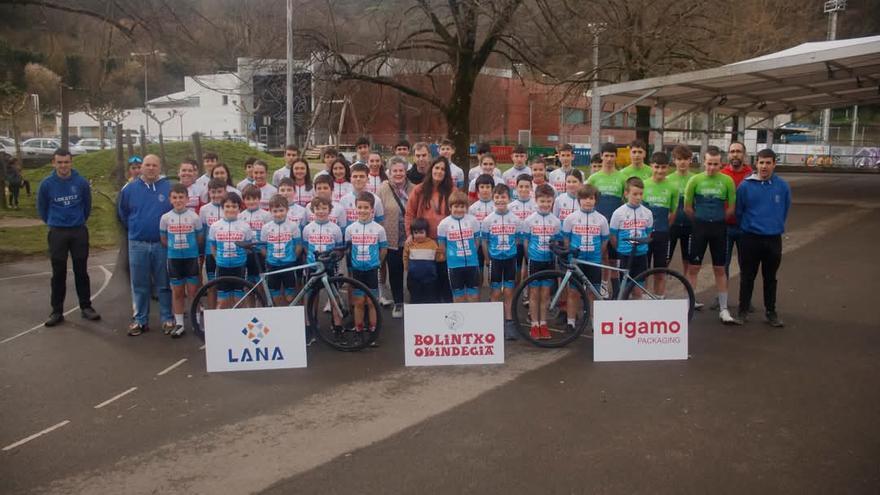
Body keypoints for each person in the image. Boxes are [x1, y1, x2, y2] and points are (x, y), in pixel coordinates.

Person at [37, 148, 101, 326]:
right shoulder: (47, 184)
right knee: (58, 272)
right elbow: (42, 208)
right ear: (54, 163)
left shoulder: (80, 182)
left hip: (78, 231)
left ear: (71, 162)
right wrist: (54, 221)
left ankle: (86, 307)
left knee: (81, 270)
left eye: (66, 162)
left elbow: (87, 206)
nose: (63, 166)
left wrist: (77, 221)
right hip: (57, 232)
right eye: (60, 162)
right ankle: (56, 311)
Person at [117, 154, 173, 336]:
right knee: (139, 284)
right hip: (138, 243)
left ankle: (167, 318)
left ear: (160, 167)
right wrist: (137, 228)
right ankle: (140, 320)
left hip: (161, 244)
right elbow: (123, 213)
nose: (150, 168)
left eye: (154, 165)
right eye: (147, 165)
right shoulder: (130, 189)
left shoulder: (168, 186)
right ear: (141, 167)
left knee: (163, 284)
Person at [684, 146, 740, 324]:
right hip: (699, 228)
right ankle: (689, 303)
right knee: (694, 268)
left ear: (720, 164)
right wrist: (700, 221)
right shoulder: (694, 180)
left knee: (720, 268)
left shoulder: (727, 181)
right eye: (709, 164)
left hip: (719, 229)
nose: (712, 168)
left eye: (715, 164)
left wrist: (718, 220)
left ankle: (723, 308)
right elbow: (687, 207)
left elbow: (731, 207)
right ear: (703, 162)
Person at [736, 149, 791, 327]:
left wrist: (773, 226)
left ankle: (771, 312)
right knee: (747, 276)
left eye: (768, 163)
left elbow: (785, 209)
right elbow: (739, 211)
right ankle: (742, 310)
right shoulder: (745, 186)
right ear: (756, 164)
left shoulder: (782, 186)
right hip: (750, 238)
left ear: (774, 164)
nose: (764, 166)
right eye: (761, 162)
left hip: (773, 239)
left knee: (770, 277)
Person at [562, 184, 608, 333]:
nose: (588, 201)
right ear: (579, 200)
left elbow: (604, 241)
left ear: (595, 200)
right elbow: (566, 239)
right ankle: (571, 321)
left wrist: (597, 255)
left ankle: (594, 322)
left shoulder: (601, 219)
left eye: (591, 198)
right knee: (573, 292)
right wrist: (571, 255)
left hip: (594, 261)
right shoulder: (571, 218)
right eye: (584, 198)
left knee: (592, 292)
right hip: (576, 261)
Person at [159, 183, 203, 338]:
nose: (178, 200)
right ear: (170, 199)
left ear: (187, 199)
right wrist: (175, 249)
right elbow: (163, 239)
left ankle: (196, 321)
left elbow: (199, 238)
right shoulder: (165, 218)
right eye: (175, 197)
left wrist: (189, 248)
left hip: (191, 258)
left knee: (193, 292)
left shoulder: (194, 217)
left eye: (181, 197)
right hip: (174, 259)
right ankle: (179, 324)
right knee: (177, 292)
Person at [520, 184, 562, 339]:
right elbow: (525, 243)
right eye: (542, 201)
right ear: (536, 200)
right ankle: (534, 324)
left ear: (553, 202)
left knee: (545, 295)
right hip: (535, 261)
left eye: (548, 201)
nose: (545, 204)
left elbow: (557, 243)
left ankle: (543, 324)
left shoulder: (556, 222)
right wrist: (530, 256)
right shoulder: (529, 220)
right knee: (534, 293)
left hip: (549, 261)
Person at [345, 192, 387, 341]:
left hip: (372, 270)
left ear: (372, 210)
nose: (362, 210)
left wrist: (377, 263)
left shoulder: (379, 229)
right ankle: (358, 330)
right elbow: (348, 250)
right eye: (359, 207)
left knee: (371, 302)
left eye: (366, 207)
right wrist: (350, 268)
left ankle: (373, 331)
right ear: (356, 208)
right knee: (358, 302)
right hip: (357, 271)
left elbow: (383, 249)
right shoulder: (350, 229)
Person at [481, 184, 521, 339]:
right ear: (493, 199)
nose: (500, 200)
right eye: (497, 197)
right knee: (496, 292)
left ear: (509, 199)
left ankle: (509, 321)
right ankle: (493, 321)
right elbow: (484, 242)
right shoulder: (487, 220)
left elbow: (518, 240)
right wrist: (487, 258)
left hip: (510, 259)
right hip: (495, 260)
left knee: (510, 291)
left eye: (503, 197)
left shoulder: (516, 219)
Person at [377, 156, 414, 318]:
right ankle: (398, 302)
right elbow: (377, 213)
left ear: (406, 172)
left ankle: (414, 300)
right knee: (395, 271)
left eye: (401, 170)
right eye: (395, 171)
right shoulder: (382, 189)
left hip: (411, 238)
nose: (398, 173)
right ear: (389, 172)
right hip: (391, 239)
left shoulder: (414, 189)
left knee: (414, 271)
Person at [587, 142, 626, 295]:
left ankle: (616, 292)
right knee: (601, 257)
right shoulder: (594, 178)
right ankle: (603, 286)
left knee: (614, 260)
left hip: (616, 226)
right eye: (606, 155)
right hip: (598, 225)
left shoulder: (622, 177)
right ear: (602, 156)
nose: (609, 159)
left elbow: (626, 201)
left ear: (616, 157)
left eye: (612, 156)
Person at [208, 192, 252, 309]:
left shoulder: (245, 226)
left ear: (239, 208)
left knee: (240, 300)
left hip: (239, 267)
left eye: (234, 206)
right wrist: (218, 259)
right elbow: (213, 247)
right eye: (227, 206)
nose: (231, 209)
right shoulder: (215, 226)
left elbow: (248, 247)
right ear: (222, 208)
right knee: (223, 301)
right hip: (222, 267)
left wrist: (240, 258)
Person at [642, 152, 678, 295]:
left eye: (663, 167)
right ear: (651, 166)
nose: (659, 171)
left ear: (668, 168)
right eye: (657, 167)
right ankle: (642, 300)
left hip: (663, 234)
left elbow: (672, 213)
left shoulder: (673, 187)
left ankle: (658, 299)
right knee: (643, 271)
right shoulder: (644, 185)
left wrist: (663, 229)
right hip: (645, 235)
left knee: (660, 271)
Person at [610, 177, 654, 290]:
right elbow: (613, 237)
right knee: (625, 287)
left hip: (641, 254)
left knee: (639, 287)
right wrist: (621, 248)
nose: (638, 197)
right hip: (624, 254)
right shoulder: (618, 213)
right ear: (626, 194)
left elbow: (648, 234)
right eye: (635, 194)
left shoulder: (647, 213)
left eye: (641, 194)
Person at [437, 191, 481, 303]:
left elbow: (477, 241)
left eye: (462, 206)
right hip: (454, 265)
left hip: (472, 263)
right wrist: (451, 257)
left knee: (474, 296)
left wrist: (472, 253)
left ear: (466, 207)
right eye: (456, 206)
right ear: (450, 207)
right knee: (458, 297)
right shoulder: (443, 224)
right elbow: (442, 246)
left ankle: (473, 319)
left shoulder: (473, 221)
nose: (459, 209)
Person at [721, 141, 754, 281]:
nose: (735, 154)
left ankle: (745, 301)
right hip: (724, 227)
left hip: (745, 228)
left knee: (746, 265)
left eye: (738, 151)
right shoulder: (721, 174)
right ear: (728, 154)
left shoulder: (752, 176)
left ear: (744, 155)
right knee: (723, 266)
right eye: (732, 151)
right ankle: (722, 300)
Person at [262, 194, 302, 306]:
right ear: (270, 211)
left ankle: (289, 317)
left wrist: (292, 258)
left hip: (288, 265)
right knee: (276, 297)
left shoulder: (293, 226)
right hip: (272, 265)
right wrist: (269, 258)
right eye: (275, 211)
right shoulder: (266, 228)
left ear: (287, 210)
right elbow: (263, 247)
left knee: (290, 297)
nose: (278, 214)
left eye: (281, 210)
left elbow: (298, 246)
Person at [667, 144, 696, 277]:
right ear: (674, 160)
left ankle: (687, 294)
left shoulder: (696, 179)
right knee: (664, 261)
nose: (682, 162)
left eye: (685, 159)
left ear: (690, 160)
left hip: (690, 227)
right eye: (679, 159)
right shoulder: (668, 179)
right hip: (671, 226)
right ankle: (659, 294)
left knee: (688, 262)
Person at [404, 218, 442, 304]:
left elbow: (438, 258)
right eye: (416, 233)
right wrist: (407, 268)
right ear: (412, 233)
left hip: (430, 278)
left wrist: (440, 254)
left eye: (421, 232)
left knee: (430, 299)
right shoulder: (410, 244)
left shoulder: (432, 243)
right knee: (415, 299)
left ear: (426, 232)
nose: (418, 235)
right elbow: (405, 257)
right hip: (414, 278)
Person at [239, 185, 272, 283]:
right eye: (248, 199)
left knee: (261, 282)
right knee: (248, 283)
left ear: (259, 199)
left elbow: (270, 234)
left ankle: (261, 298)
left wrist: (266, 252)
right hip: (246, 253)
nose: (251, 201)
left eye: (254, 198)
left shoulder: (266, 215)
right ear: (243, 200)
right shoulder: (240, 216)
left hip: (261, 252)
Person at [199, 179, 227, 284]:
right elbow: (203, 232)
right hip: (210, 252)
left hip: (226, 252)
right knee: (212, 286)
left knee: (227, 284)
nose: (216, 195)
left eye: (220, 192)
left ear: (225, 192)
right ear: (209, 192)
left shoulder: (229, 207)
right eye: (213, 192)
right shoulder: (204, 209)